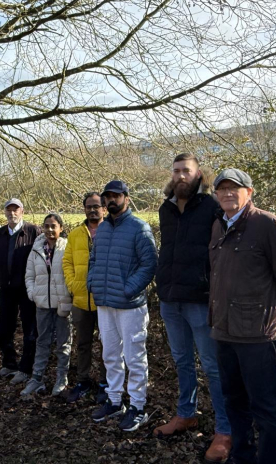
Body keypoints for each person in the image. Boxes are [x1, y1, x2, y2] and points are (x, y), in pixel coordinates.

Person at [209, 168, 276, 464]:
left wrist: (268, 312)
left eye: (234, 188)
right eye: (221, 189)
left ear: (249, 192)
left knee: (266, 409)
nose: (227, 193)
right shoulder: (218, 226)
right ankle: (243, 457)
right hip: (224, 332)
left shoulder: (267, 224)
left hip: (258, 336)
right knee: (234, 404)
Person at [153, 153, 232, 461]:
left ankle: (225, 430)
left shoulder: (212, 207)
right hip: (171, 298)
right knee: (182, 360)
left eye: (186, 170)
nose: (181, 175)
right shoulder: (166, 208)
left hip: (200, 300)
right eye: (176, 171)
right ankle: (186, 413)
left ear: (199, 173)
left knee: (212, 366)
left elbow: (223, 253)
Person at [87, 180, 157, 432]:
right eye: (108, 196)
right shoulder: (103, 229)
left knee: (135, 357)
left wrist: (128, 289)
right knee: (110, 355)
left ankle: (138, 406)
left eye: (116, 195)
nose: (111, 200)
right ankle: (115, 401)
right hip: (105, 303)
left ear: (126, 198)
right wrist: (92, 282)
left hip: (130, 306)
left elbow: (149, 264)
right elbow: (93, 259)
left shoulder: (139, 228)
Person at [62, 192, 108, 404]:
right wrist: (72, 285)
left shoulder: (110, 230)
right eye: (89, 206)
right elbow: (67, 262)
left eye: (96, 206)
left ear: (103, 208)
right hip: (80, 299)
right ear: (84, 209)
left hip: (105, 299)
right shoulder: (75, 234)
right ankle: (83, 381)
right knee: (83, 343)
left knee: (108, 344)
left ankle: (105, 383)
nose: (92, 209)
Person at [0, 198, 41, 385]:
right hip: (6, 288)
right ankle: (9, 363)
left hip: (26, 288)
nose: (12, 213)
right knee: (4, 328)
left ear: (22, 211)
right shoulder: (0, 234)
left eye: (16, 209)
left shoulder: (33, 231)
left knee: (29, 329)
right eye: (9, 210)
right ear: (4, 212)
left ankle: (26, 368)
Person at [21, 213, 71, 397]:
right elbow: (29, 275)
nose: (50, 230)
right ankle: (37, 378)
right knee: (42, 341)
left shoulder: (67, 248)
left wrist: (69, 295)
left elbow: (72, 273)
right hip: (42, 303)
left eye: (54, 226)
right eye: (47, 226)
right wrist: (33, 293)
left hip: (62, 303)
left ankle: (61, 377)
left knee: (63, 343)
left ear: (61, 228)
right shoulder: (36, 249)